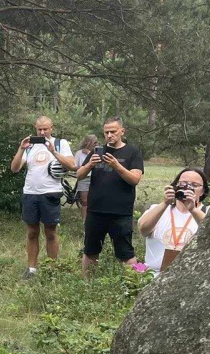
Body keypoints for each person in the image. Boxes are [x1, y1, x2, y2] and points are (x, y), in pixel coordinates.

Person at [76, 117, 144, 277]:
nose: (109, 135)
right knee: (90, 250)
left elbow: (134, 179)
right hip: (95, 211)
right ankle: (88, 286)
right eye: (106, 132)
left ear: (122, 131)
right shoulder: (96, 151)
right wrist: (89, 165)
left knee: (125, 253)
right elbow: (79, 175)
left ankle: (133, 284)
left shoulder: (132, 152)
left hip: (121, 212)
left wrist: (116, 165)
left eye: (113, 131)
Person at [11, 116, 77, 278]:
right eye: (39, 129)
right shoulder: (29, 146)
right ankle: (32, 269)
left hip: (50, 193)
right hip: (30, 193)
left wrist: (53, 151)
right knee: (32, 232)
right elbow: (14, 169)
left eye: (45, 129)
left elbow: (72, 165)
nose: (42, 132)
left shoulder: (60, 144)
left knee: (51, 232)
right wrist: (21, 148)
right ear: (35, 128)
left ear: (51, 128)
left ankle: (51, 269)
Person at [139, 168, 207, 272]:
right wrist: (165, 203)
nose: (187, 188)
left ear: (202, 191)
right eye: (183, 184)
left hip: (190, 276)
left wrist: (193, 209)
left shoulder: (207, 212)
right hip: (154, 275)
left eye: (194, 185)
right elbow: (143, 230)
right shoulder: (158, 209)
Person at [72, 134, 97, 218]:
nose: (96, 144)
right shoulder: (79, 153)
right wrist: (84, 168)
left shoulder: (97, 152)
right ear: (89, 143)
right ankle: (85, 221)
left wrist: (90, 153)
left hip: (96, 177)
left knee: (96, 200)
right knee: (84, 201)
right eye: (94, 142)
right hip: (84, 178)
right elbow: (74, 166)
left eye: (97, 142)